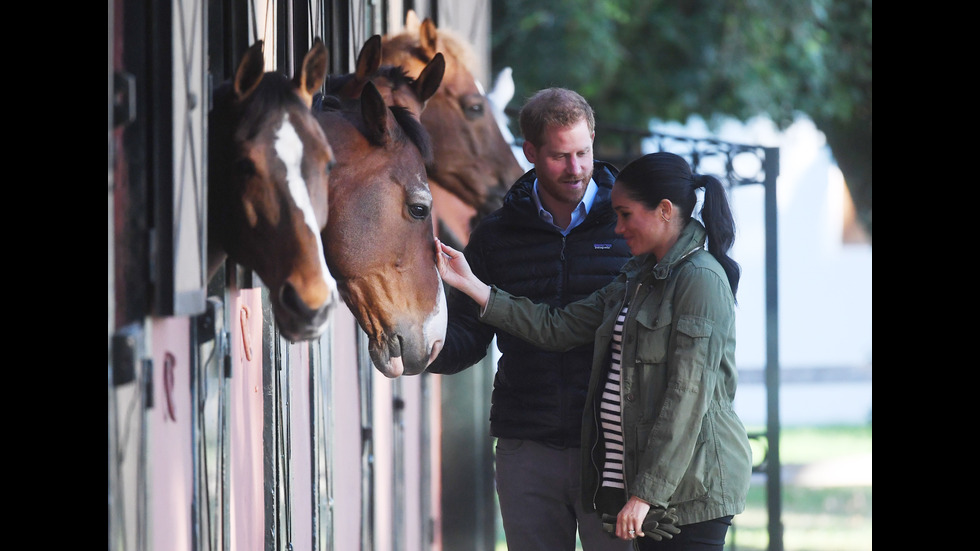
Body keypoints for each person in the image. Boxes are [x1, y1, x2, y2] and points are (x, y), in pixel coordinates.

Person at [436, 151, 754, 550]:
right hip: (650, 489)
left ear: (665, 210)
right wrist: (474, 287)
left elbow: (687, 397)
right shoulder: (638, 276)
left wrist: (644, 495)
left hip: (692, 489)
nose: (617, 229)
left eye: (625, 214)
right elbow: (561, 326)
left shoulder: (700, 279)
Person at [426, 88, 632, 550]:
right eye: (560, 156)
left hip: (614, 448)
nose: (576, 168)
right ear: (531, 152)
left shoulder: (627, 228)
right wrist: (423, 348)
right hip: (527, 447)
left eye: (583, 152)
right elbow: (468, 335)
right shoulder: (496, 237)